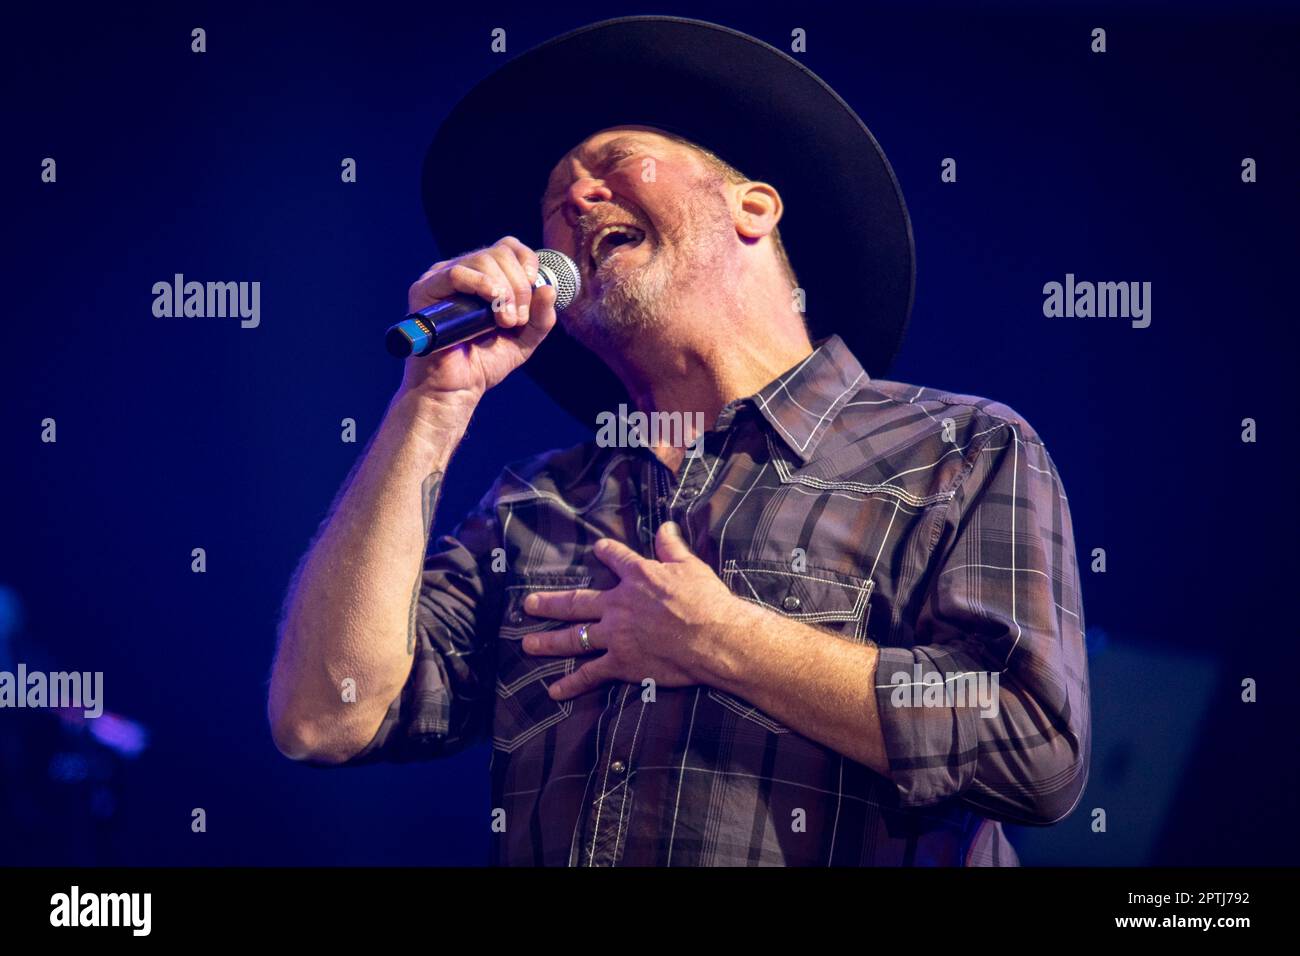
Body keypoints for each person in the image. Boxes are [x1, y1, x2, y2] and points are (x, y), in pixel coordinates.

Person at [268, 16, 1089, 866]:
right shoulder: (536, 504)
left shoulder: (953, 449)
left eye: (615, 163)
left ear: (753, 207)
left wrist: (722, 640)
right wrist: (430, 402)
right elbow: (323, 717)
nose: (575, 200)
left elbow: (1034, 748)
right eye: (555, 201)